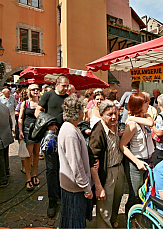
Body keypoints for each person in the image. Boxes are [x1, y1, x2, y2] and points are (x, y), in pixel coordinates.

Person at [35, 75, 69, 218]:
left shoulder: (68, 98)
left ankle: (62, 194)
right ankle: (52, 200)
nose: (66, 88)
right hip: (51, 138)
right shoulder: (48, 95)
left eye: (67, 86)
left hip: (65, 136)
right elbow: (38, 111)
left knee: (64, 167)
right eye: (64, 85)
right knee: (51, 169)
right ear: (57, 84)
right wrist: (48, 124)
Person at [88, 100, 126, 228]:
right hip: (107, 171)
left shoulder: (116, 125)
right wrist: (98, 186)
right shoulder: (98, 131)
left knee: (117, 199)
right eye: (110, 114)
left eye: (116, 113)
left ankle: (113, 220)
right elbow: (92, 160)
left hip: (119, 168)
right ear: (102, 115)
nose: (114, 117)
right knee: (105, 205)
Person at [58, 94, 93, 228]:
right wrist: (86, 187)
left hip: (72, 185)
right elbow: (76, 164)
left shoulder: (71, 127)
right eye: (82, 109)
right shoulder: (70, 132)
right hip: (74, 187)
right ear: (77, 112)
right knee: (74, 222)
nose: (84, 112)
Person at [119, 92, 155, 214]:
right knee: (135, 196)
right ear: (139, 105)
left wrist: (131, 117)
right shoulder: (132, 125)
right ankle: (130, 220)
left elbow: (151, 122)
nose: (148, 104)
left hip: (148, 161)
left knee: (145, 193)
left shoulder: (146, 116)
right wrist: (137, 161)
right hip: (137, 163)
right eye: (145, 102)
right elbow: (122, 145)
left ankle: (140, 218)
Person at [18, 84, 41, 191]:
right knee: (29, 155)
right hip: (28, 130)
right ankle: (28, 177)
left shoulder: (42, 103)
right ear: (29, 91)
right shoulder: (25, 103)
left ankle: (34, 174)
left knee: (37, 153)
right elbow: (21, 118)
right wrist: (20, 131)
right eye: (33, 89)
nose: (35, 91)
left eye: (37, 89)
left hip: (39, 131)